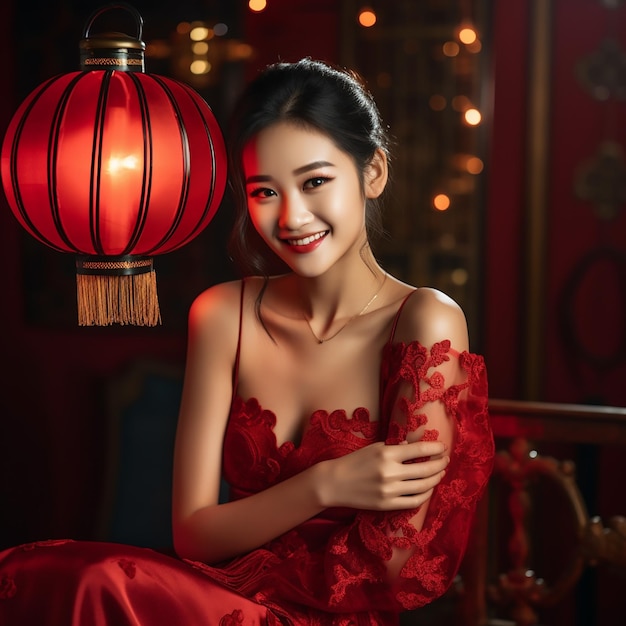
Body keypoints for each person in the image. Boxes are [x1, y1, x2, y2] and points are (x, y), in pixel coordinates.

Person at [0, 58, 494, 625]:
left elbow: (391, 564)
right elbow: (193, 534)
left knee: (97, 586)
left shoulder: (424, 320)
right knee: (39, 573)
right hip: (216, 595)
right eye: (264, 192)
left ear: (374, 171)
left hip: (333, 615)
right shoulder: (221, 314)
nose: (292, 217)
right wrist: (326, 483)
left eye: (315, 182)